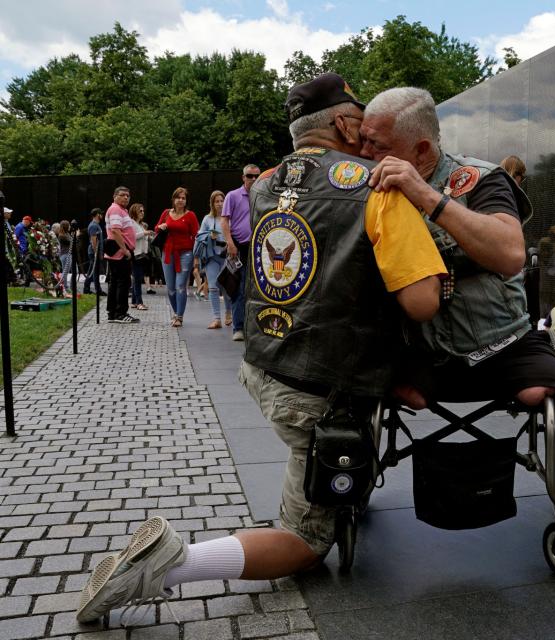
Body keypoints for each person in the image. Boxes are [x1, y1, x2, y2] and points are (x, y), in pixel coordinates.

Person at [74, 72, 446, 625]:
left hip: (264, 364)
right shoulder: (379, 188)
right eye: (359, 120)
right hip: (321, 386)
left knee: (314, 462)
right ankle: (171, 564)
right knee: (304, 540)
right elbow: (421, 301)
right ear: (343, 123)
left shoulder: (264, 184)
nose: (366, 134)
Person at [360, 87, 555, 408]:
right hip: (421, 349)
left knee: (539, 391)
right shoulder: (372, 185)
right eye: (363, 139)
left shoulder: (482, 178)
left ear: (421, 149)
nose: (363, 152)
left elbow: (511, 255)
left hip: (500, 341)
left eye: (376, 144)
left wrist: (426, 196)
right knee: (373, 387)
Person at [222, 163, 260, 341]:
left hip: (259, 246)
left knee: (257, 289)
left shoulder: (263, 195)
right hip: (239, 245)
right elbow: (224, 221)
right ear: (243, 177)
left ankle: (253, 327)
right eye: (250, 176)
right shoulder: (233, 195)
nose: (253, 179)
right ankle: (238, 327)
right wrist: (230, 243)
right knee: (239, 286)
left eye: (256, 176)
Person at [155, 187, 199, 328]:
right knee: (170, 288)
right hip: (168, 252)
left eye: (183, 198)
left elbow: (196, 235)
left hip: (185, 253)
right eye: (178, 197)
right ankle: (176, 313)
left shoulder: (190, 215)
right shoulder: (166, 213)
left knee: (180, 286)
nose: (180, 200)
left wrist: (195, 255)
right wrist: (160, 226)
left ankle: (179, 316)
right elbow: (156, 228)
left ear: (186, 201)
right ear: (173, 199)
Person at [195, 190, 231, 329]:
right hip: (211, 255)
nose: (220, 204)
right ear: (212, 203)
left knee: (227, 287)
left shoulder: (229, 217)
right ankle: (216, 318)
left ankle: (228, 312)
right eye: (217, 201)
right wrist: (210, 236)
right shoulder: (207, 219)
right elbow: (199, 237)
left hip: (227, 256)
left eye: (222, 201)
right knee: (213, 287)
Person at [103, 187, 139, 324]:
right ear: (114, 196)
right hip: (120, 252)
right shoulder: (116, 210)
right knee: (123, 283)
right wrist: (125, 250)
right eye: (122, 195)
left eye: (128, 195)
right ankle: (120, 313)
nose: (126, 197)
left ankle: (113, 313)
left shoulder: (121, 210)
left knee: (116, 282)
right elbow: (116, 231)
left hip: (118, 251)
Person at [129, 203, 152, 311]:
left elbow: (144, 238)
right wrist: (145, 233)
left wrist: (149, 235)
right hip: (136, 254)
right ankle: (139, 302)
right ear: (134, 212)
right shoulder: (131, 223)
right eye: (140, 211)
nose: (142, 213)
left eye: (143, 211)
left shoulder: (141, 225)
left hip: (142, 254)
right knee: (137, 279)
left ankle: (134, 301)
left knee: (137, 278)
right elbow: (132, 237)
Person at [83, 209, 104, 295]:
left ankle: (86, 289)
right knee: (94, 272)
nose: (102, 215)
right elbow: (93, 241)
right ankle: (97, 290)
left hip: (95, 252)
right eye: (101, 214)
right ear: (97, 215)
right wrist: (96, 253)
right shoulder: (93, 226)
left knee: (92, 271)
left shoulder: (96, 225)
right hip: (94, 252)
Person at [56, 220, 72, 291]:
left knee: (76, 271)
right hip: (65, 255)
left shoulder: (67, 234)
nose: (70, 227)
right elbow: (71, 242)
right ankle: (65, 287)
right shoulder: (61, 236)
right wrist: (76, 236)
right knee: (65, 272)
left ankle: (72, 286)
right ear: (66, 226)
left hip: (69, 254)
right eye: (69, 225)